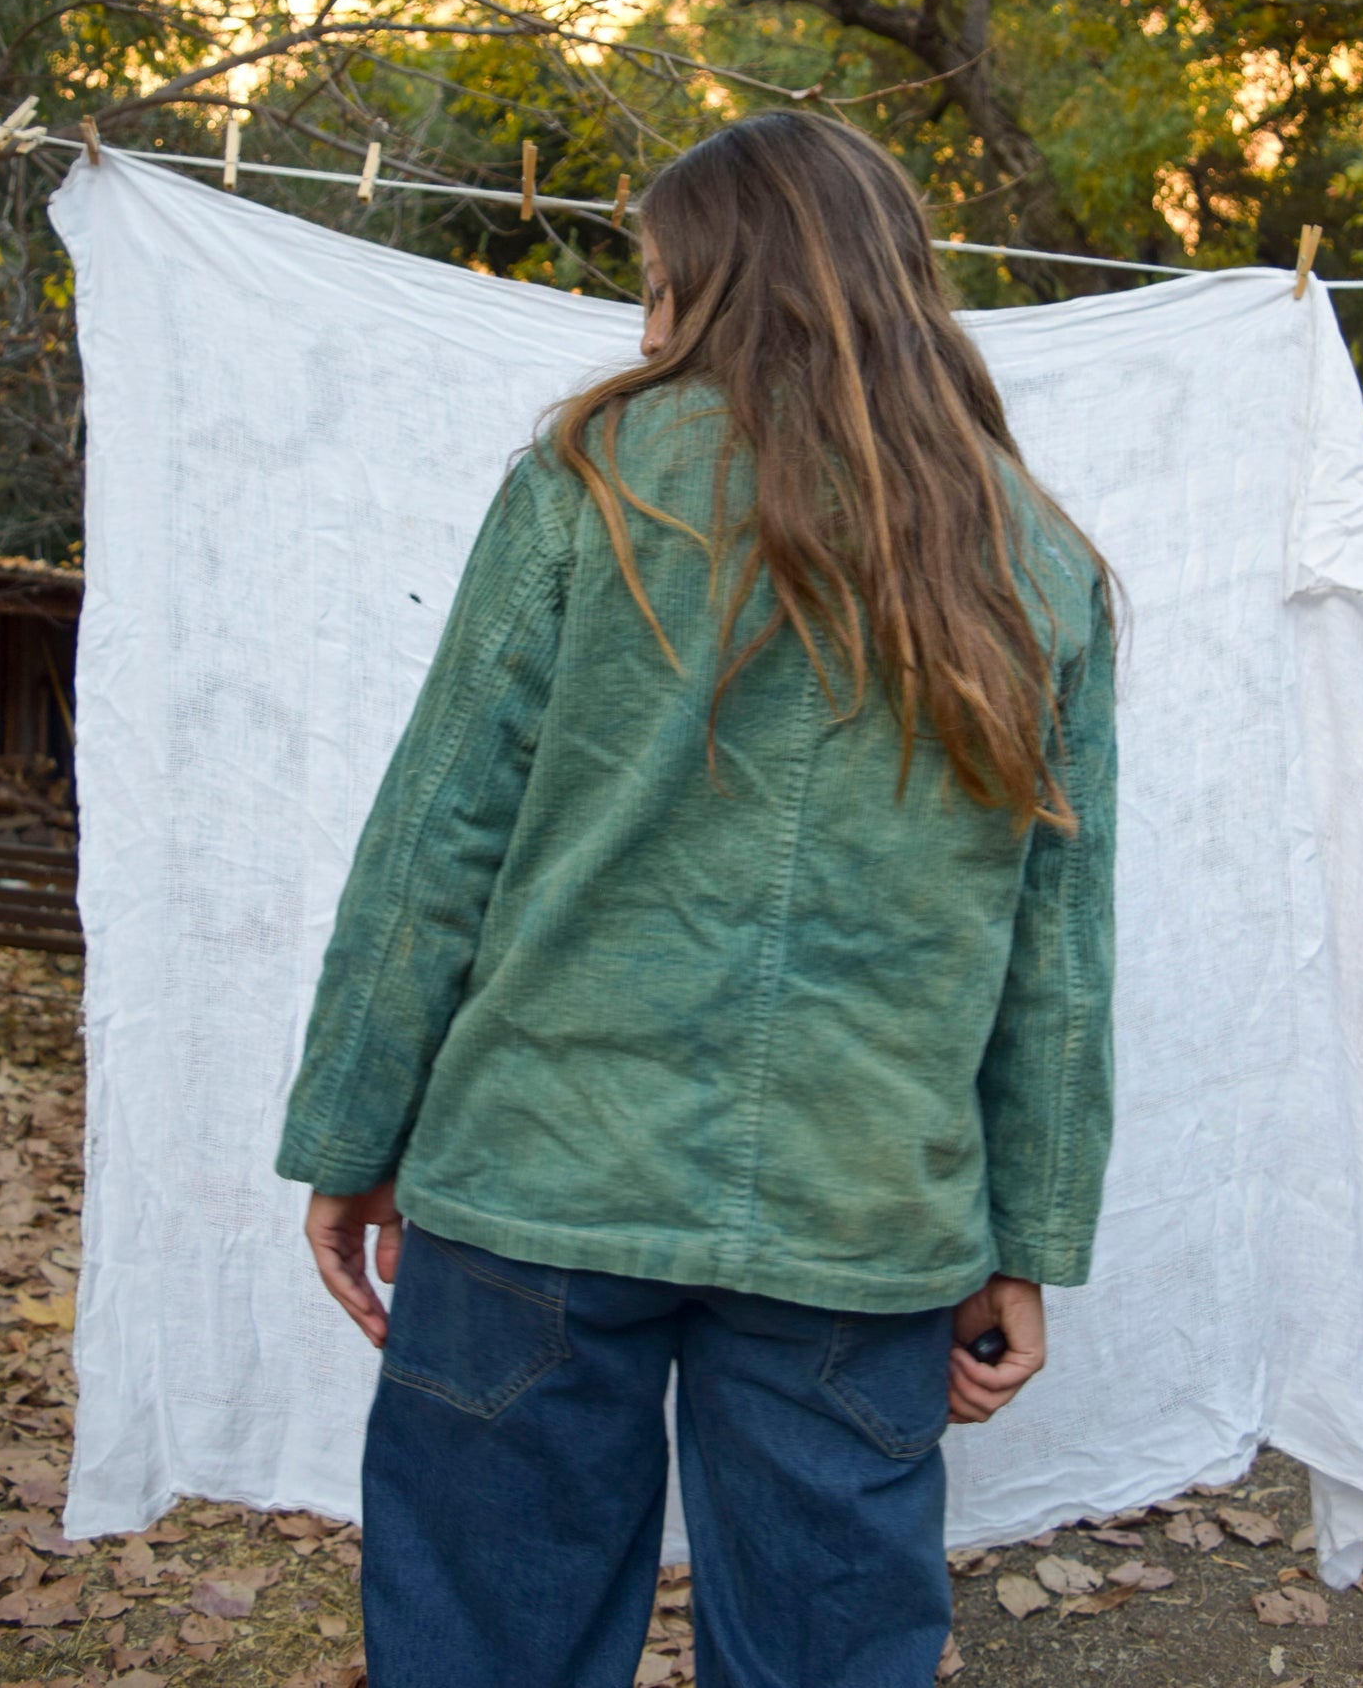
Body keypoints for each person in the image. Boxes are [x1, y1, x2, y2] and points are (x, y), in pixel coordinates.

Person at [275, 110, 1118, 1688]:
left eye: (663, 289)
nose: (645, 329)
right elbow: (1055, 957)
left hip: (536, 1175)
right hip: (858, 1207)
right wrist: (1026, 1232)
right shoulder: (1031, 557)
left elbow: (435, 838)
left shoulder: (587, 484)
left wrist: (349, 1133)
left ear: (725, 291)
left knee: (485, 1653)